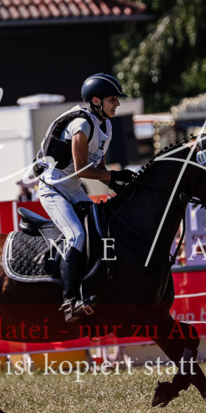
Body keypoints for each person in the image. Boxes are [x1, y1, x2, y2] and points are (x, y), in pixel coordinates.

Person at [36, 73, 135, 323]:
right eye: (113, 99)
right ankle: (70, 301)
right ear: (96, 101)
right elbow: (82, 169)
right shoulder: (81, 125)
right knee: (77, 235)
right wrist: (115, 177)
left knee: (101, 226)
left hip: (74, 187)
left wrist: (122, 186)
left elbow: (99, 171)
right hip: (53, 188)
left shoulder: (107, 126)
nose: (118, 104)